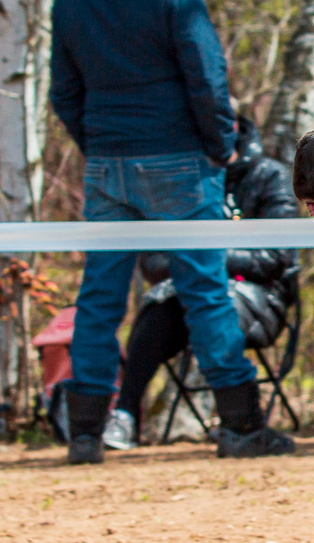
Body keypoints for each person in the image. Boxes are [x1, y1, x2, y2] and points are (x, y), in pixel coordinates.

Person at [49, 0, 294, 463]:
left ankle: (85, 432)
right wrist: (220, 148)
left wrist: (99, 146)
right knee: (206, 292)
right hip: (180, 164)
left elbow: (64, 92)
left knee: (100, 295)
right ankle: (238, 425)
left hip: (107, 164)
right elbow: (207, 81)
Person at [106, 114, 299, 447]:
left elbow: (275, 257)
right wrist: (197, 265)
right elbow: (152, 260)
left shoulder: (269, 176)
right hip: (187, 295)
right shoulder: (179, 185)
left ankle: (240, 424)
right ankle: (124, 415)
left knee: (213, 305)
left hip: (260, 300)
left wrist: (204, 259)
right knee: (160, 305)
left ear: (232, 129)